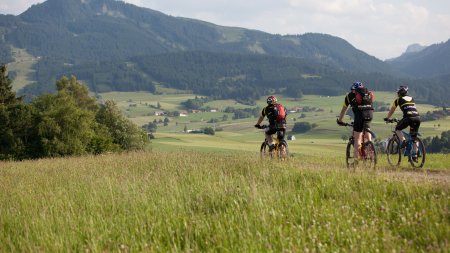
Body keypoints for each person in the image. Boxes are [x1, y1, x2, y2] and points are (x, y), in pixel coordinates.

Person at [336, 82, 374, 160]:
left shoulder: (349, 96)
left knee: (357, 139)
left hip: (360, 115)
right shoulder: (367, 94)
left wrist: (340, 120)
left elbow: (344, 110)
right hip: (370, 114)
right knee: (367, 130)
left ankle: (356, 162)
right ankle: (370, 148)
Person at [384, 85, 421, 157]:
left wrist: (388, 118)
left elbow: (392, 110)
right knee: (414, 137)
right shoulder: (412, 98)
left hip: (408, 118)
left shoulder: (398, 100)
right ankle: (415, 155)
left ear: (399, 93)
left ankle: (403, 142)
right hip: (417, 118)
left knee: (397, 129)